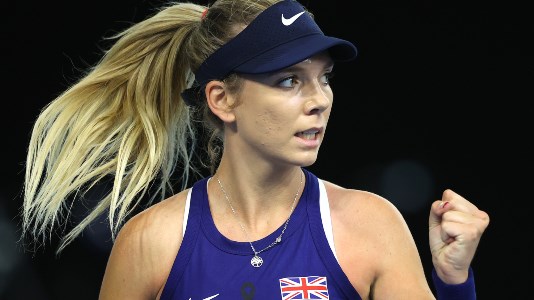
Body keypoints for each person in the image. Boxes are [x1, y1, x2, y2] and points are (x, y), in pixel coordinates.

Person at [21, 0, 490, 299]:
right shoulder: (150, 242)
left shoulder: (371, 225)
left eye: (323, 78)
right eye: (289, 81)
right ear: (222, 100)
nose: (319, 100)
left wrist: (453, 282)